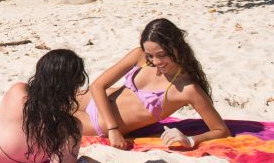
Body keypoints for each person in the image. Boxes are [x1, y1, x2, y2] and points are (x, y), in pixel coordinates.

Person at [75, 18, 230, 149]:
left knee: (51, 120)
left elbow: (221, 130)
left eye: (161, 55)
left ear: (176, 48)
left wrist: (190, 140)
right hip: (94, 99)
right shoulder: (139, 55)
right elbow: (98, 86)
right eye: (150, 56)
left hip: (97, 123)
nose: (156, 62)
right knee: (52, 96)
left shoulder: (187, 89)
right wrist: (113, 128)